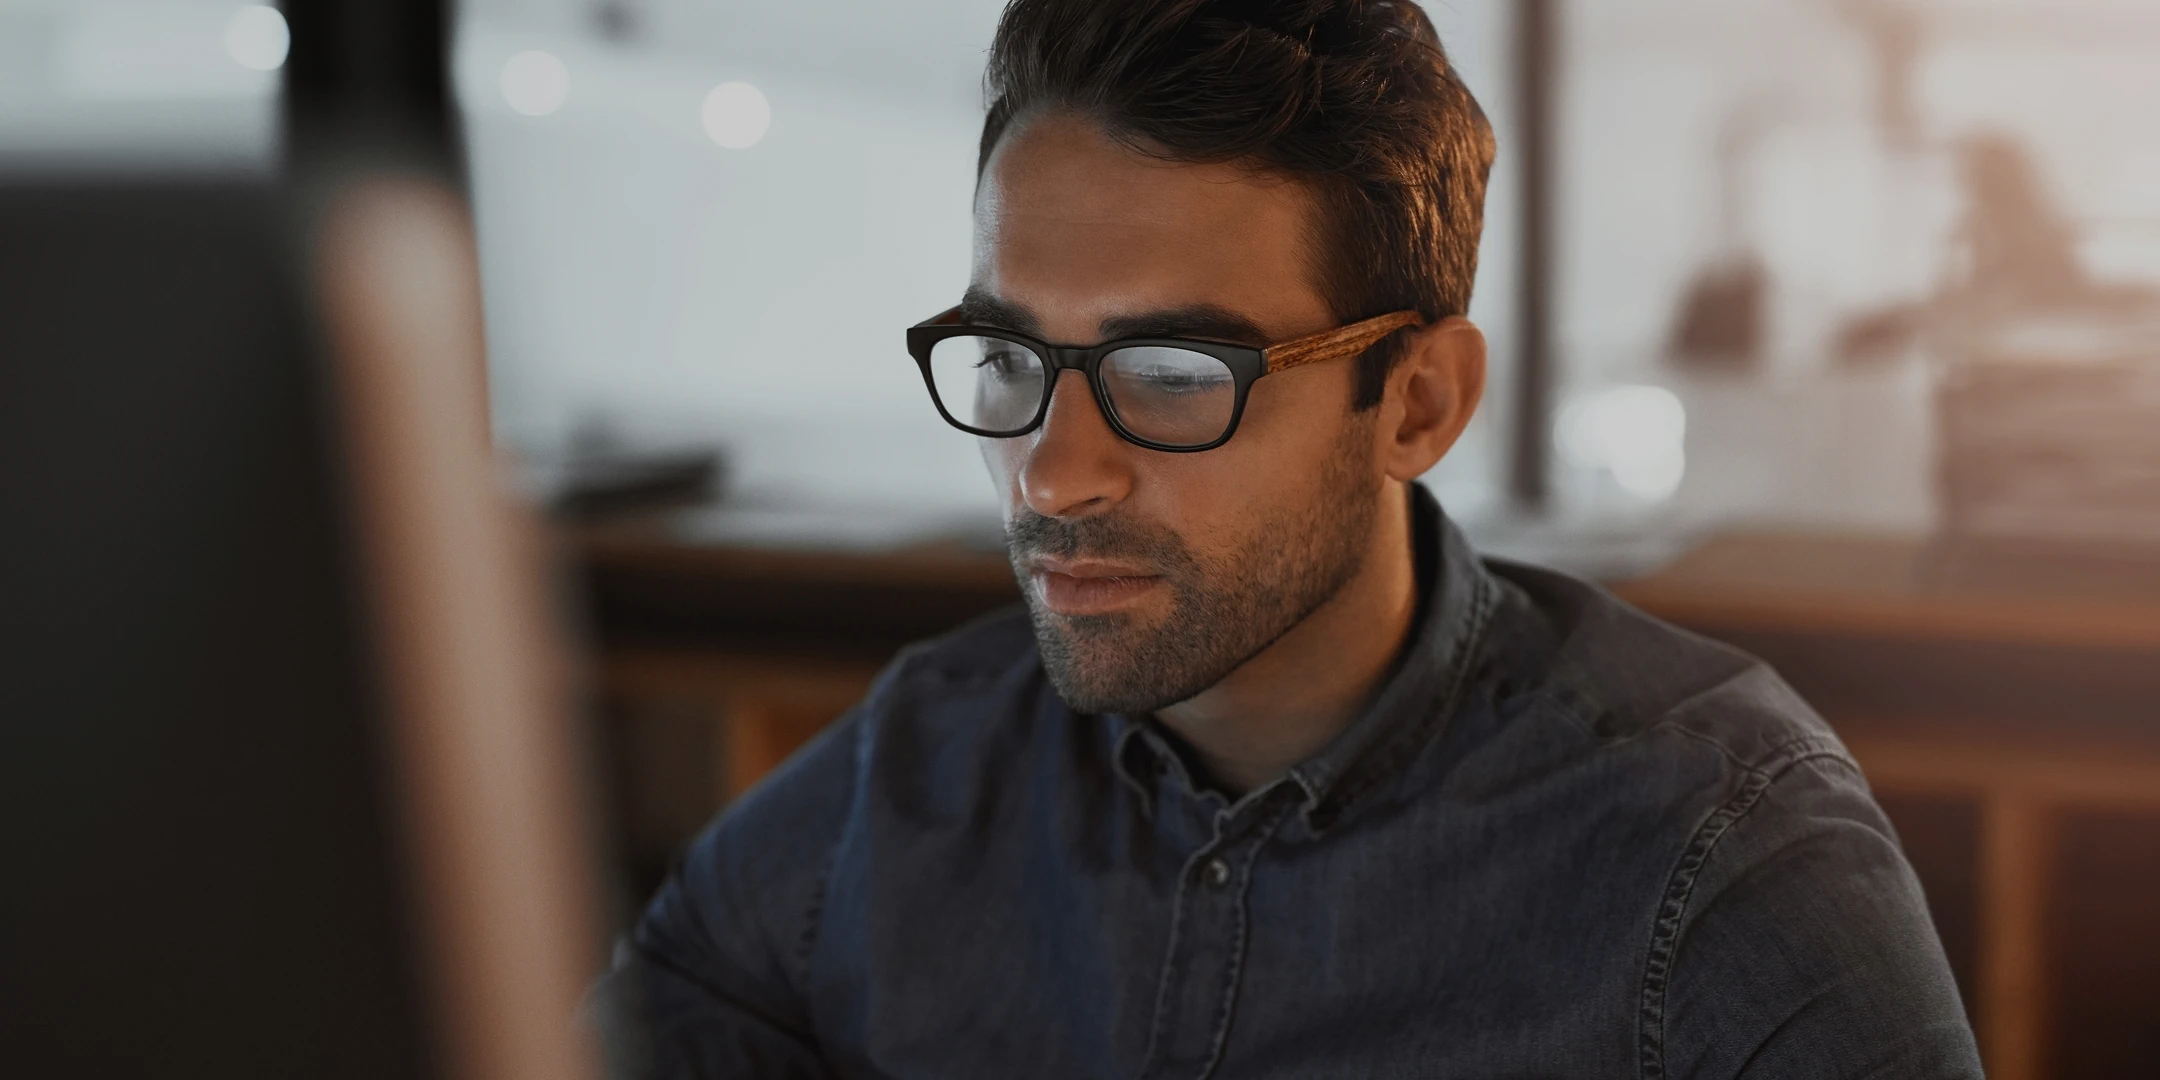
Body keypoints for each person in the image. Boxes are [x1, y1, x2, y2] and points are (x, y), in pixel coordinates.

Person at [601, 1, 1982, 1076]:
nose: (1055, 474)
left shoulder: (1718, 855)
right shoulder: (913, 780)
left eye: (1177, 375)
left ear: (1418, 405)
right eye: (1009, 355)